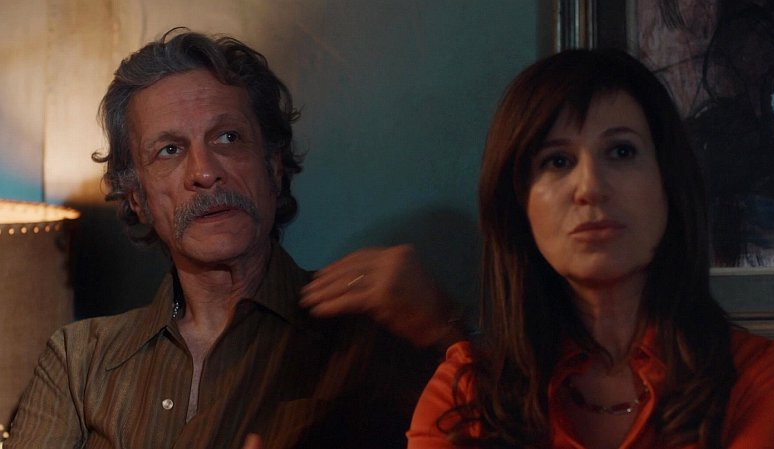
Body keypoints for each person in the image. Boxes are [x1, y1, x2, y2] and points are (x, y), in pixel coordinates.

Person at [6, 29, 459, 449]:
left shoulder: (366, 335)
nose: (205, 172)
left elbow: (495, 421)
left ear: (273, 167)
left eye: (228, 137)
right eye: (169, 150)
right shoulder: (79, 361)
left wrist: (443, 329)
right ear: (138, 198)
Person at [406, 49, 774, 449]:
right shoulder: (466, 392)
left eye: (621, 151)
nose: (590, 187)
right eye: (557, 161)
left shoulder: (759, 377)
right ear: (518, 203)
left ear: (668, 183)